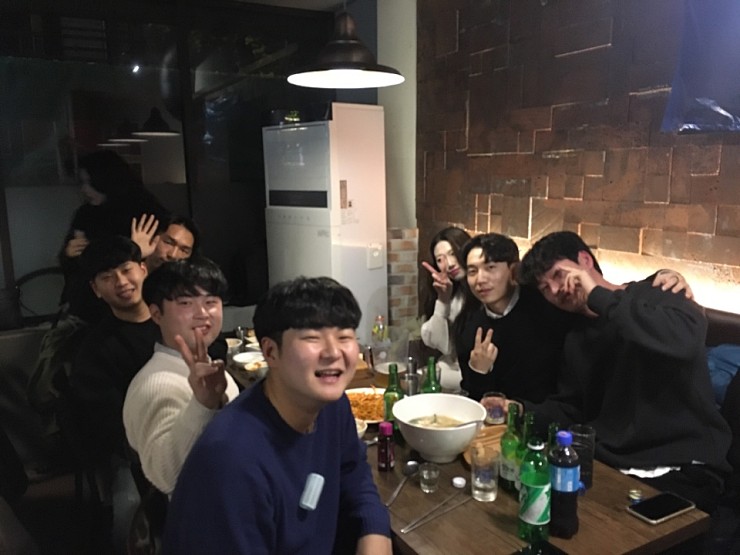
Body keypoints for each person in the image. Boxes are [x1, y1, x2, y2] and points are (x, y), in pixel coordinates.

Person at [163, 277, 392, 554]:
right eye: (312, 338)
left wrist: (374, 532)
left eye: (345, 336)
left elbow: (354, 475)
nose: (334, 352)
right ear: (271, 352)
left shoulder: (332, 406)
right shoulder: (232, 460)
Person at [518, 230, 731, 513]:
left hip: (683, 466)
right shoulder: (576, 339)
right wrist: (520, 410)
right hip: (615, 465)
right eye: (545, 288)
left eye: (558, 275)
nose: (556, 290)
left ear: (584, 260)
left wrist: (598, 296)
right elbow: (572, 408)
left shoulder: (657, 292)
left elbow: (686, 340)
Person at [67, 236, 160, 552]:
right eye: (107, 277)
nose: (121, 282)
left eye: (126, 269)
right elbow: (108, 423)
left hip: (187, 430)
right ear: (96, 289)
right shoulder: (94, 349)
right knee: (129, 510)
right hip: (131, 448)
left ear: (143, 269)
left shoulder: (171, 321)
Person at [122, 257, 239, 495]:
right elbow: (168, 477)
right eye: (186, 303)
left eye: (211, 301)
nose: (203, 313)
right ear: (156, 314)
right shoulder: (157, 385)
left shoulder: (201, 366)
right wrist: (203, 404)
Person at [454, 233, 571, 402]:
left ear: (513, 270)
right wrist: (478, 371)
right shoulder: (469, 326)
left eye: (490, 267)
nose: (480, 279)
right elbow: (474, 398)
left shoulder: (545, 307)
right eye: (472, 271)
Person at [59, 150, 168, 324]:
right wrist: (68, 255)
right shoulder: (85, 214)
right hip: (91, 307)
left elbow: (163, 260)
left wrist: (136, 251)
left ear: (106, 180)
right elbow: (74, 269)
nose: (84, 189)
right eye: (82, 183)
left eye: (89, 182)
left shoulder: (144, 210)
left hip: (142, 305)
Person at [420, 227, 471, 392]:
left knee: (427, 377)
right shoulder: (452, 293)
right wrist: (442, 300)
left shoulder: (482, 292)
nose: (449, 264)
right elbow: (440, 345)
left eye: (452, 253)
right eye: (440, 259)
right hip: (452, 367)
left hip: (474, 374)